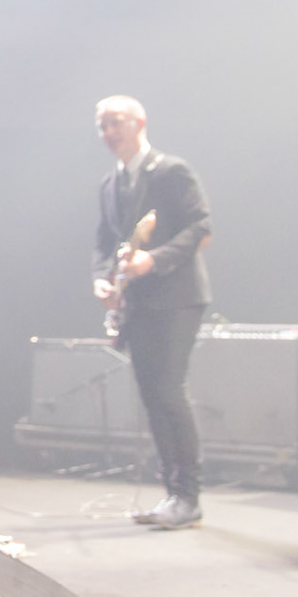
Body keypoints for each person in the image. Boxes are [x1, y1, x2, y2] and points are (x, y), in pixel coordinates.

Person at [91, 95, 213, 530]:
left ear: (139, 122)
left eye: (115, 123)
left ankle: (188, 494)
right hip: (138, 304)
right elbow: (105, 244)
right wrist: (103, 279)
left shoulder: (171, 171)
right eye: (102, 126)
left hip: (177, 298)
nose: (108, 133)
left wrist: (153, 260)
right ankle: (173, 494)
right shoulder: (110, 184)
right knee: (152, 394)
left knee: (168, 389)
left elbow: (201, 227)